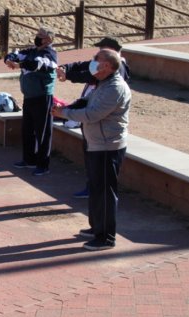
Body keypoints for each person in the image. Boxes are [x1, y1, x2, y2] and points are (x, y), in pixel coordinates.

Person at [51, 49, 131, 251]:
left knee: (105, 192)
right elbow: (88, 101)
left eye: (97, 60)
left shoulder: (115, 87)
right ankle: (97, 227)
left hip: (107, 146)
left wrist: (65, 113)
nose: (93, 62)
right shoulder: (102, 82)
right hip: (96, 143)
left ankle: (106, 237)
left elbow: (93, 114)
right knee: (96, 189)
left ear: (107, 66)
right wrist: (69, 106)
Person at [57, 36, 130, 199]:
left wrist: (65, 112)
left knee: (104, 191)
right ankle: (92, 190)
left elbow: (93, 110)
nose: (95, 57)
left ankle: (94, 191)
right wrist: (65, 68)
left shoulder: (116, 74)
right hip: (96, 133)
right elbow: (82, 66)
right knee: (94, 169)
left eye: (100, 52)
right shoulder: (104, 72)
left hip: (106, 138)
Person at [6, 27, 58, 175]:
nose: (37, 37)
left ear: (48, 40)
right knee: (27, 130)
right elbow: (14, 55)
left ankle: (43, 165)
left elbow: (38, 64)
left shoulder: (50, 54)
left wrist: (20, 65)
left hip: (42, 97)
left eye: (40, 36)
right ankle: (29, 159)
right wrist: (10, 60)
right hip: (28, 96)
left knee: (43, 132)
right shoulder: (31, 51)